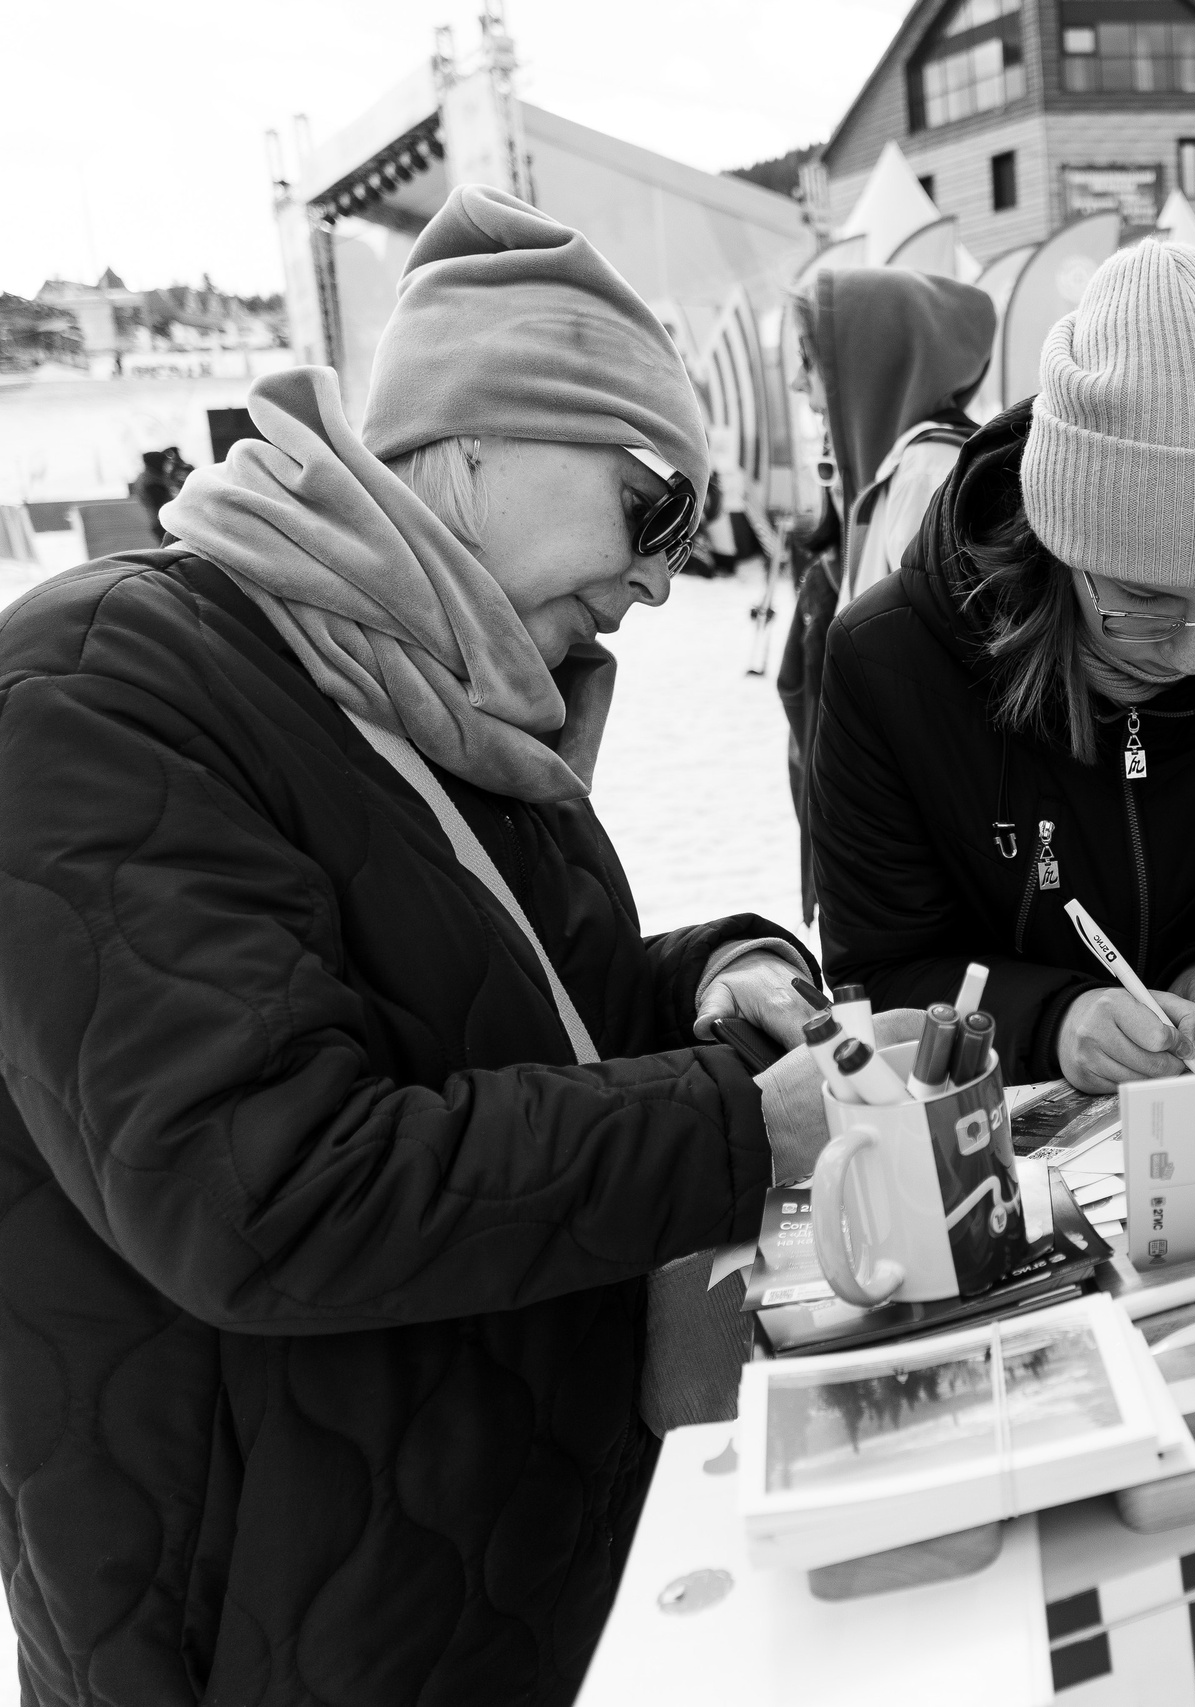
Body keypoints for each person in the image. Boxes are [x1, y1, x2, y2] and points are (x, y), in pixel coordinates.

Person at [0, 186, 832, 1707]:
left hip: (497, 1566)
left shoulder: (462, 695)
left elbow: (524, 1019)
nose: (663, 575)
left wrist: (719, 972)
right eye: (652, 505)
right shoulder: (99, 688)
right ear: (469, 447)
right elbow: (270, 1184)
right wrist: (728, 1124)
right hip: (278, 1619)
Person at [810, 242, 1195, 1094]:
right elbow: (880, 971)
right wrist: (1054, 1021)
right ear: (1058, 544)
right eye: (1142, 600)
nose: (1189, 653)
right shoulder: (887, 664)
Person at [779, 268, 997, 916]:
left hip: (909, 853)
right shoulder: (902, 468)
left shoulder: (933, 473)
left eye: (810, 363)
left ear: (871, 365)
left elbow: (925, 692)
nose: (799, 385)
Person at [132, 447, 172, 542]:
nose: (165, 466)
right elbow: (161, 505)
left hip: (157, 522)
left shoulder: (144, 478)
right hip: (162, 523)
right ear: (156, 463)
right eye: (163, 463)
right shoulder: (151, 482)